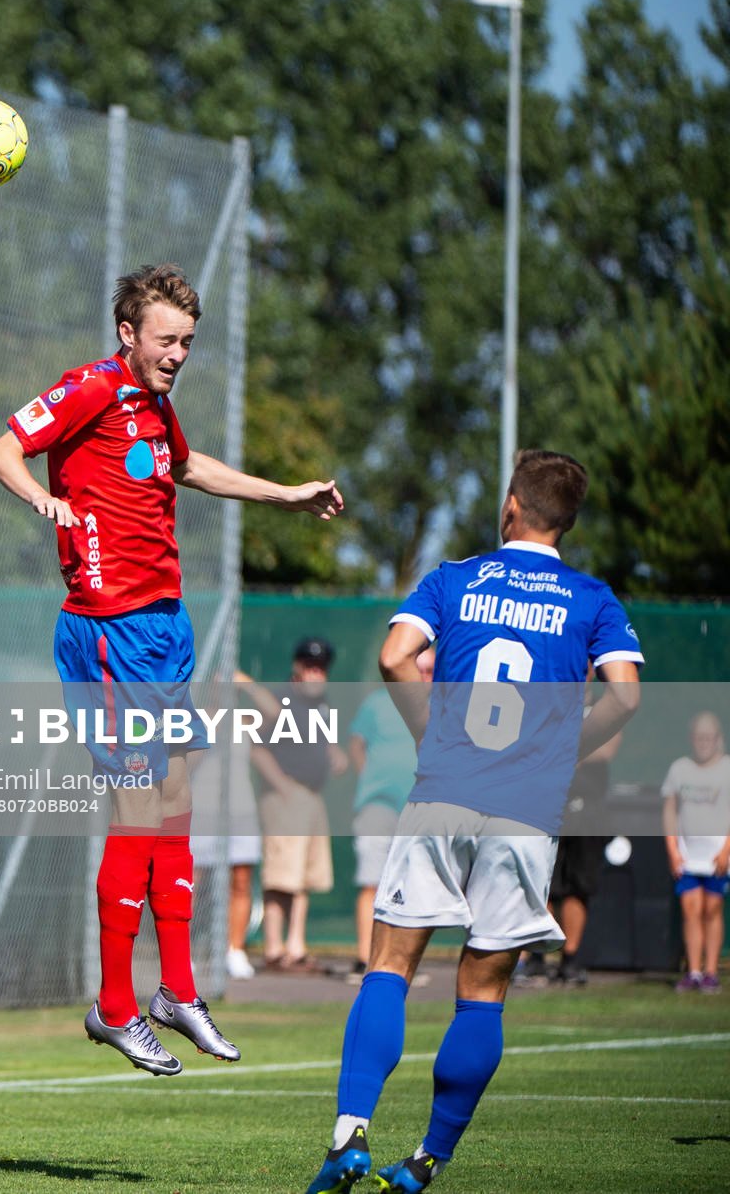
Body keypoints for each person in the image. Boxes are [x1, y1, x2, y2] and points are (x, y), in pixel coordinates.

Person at [0, 262, 343, 1076]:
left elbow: (188, 466)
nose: (178, 354)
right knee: (139, 808)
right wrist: (42, 500)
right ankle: (115, 1006)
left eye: (187, 342)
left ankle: (177, 991)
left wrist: (285, 495)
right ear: (128, 333)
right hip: (109, 631)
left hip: (165, 625)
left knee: (177, 803)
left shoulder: (154, 406)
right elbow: (3, 449)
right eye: (166, 339)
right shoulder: (89, 387)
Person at [306, 449, 642, 1194]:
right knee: (482, 993)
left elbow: (396, 657)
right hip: (526, 811)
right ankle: (427, 1161)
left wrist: (433, 735)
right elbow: (625, 695)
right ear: (567, 521)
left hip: (444, 793)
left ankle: (349, 1136)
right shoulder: (593, 599)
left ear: (511, 507)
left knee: (390, 966)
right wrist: (561, 751)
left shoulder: (456, 578)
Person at [239, 639, 349, 973]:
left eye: (321, 668)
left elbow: (322, 743)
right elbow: (257, 747)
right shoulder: (279, 698)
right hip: (286, 798)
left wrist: (334, 752)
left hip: (312, 797)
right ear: (298, 666)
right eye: (310, 666)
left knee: (304, 877)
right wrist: (282, 786)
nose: (316, 673)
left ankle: (296, 946)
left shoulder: (321, 703)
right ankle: (275, 948)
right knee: (282, 875)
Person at [346, 648, 433, 972]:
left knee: (412, 888)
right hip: (378, 806)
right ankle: (365, 959)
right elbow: (356, 744)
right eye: (419, 669)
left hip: (421, 809)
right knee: (372, 881)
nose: (424, 676)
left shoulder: (443, 706)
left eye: (430, 670)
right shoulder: (378, 703)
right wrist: (370, 781)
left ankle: (400, 963)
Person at [663, 710, 729, 993]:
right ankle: (693, 972)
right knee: (691, 909)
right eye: (699, 737)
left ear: (718, 738)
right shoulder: (680, 769)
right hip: (688, 855)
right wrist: (673, 849)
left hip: (717, 856)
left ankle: (711, 972)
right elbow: (670, 811)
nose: (704, 742)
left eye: (708, 737)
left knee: (712, 909)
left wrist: (726, 850)